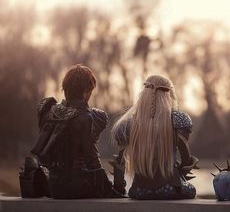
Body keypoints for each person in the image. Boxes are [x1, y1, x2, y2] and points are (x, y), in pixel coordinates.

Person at [30, 64, 122, 199]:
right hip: (78, 187)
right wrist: (112, 190)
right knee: (119, 190)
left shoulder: (47, 110)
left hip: (54, 186)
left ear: (65, 87)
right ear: (86, 90)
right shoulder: (89, 117)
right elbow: (93, 161)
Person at [111, 74, 199, 200]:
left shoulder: (127, 125)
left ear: (144, 94)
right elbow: (186, 161)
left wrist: (119, 189)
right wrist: (177, 172)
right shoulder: (178, 120)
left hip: (139, 191)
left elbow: (120, 163)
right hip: (171, 189)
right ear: (168, 95)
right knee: (191, 190)